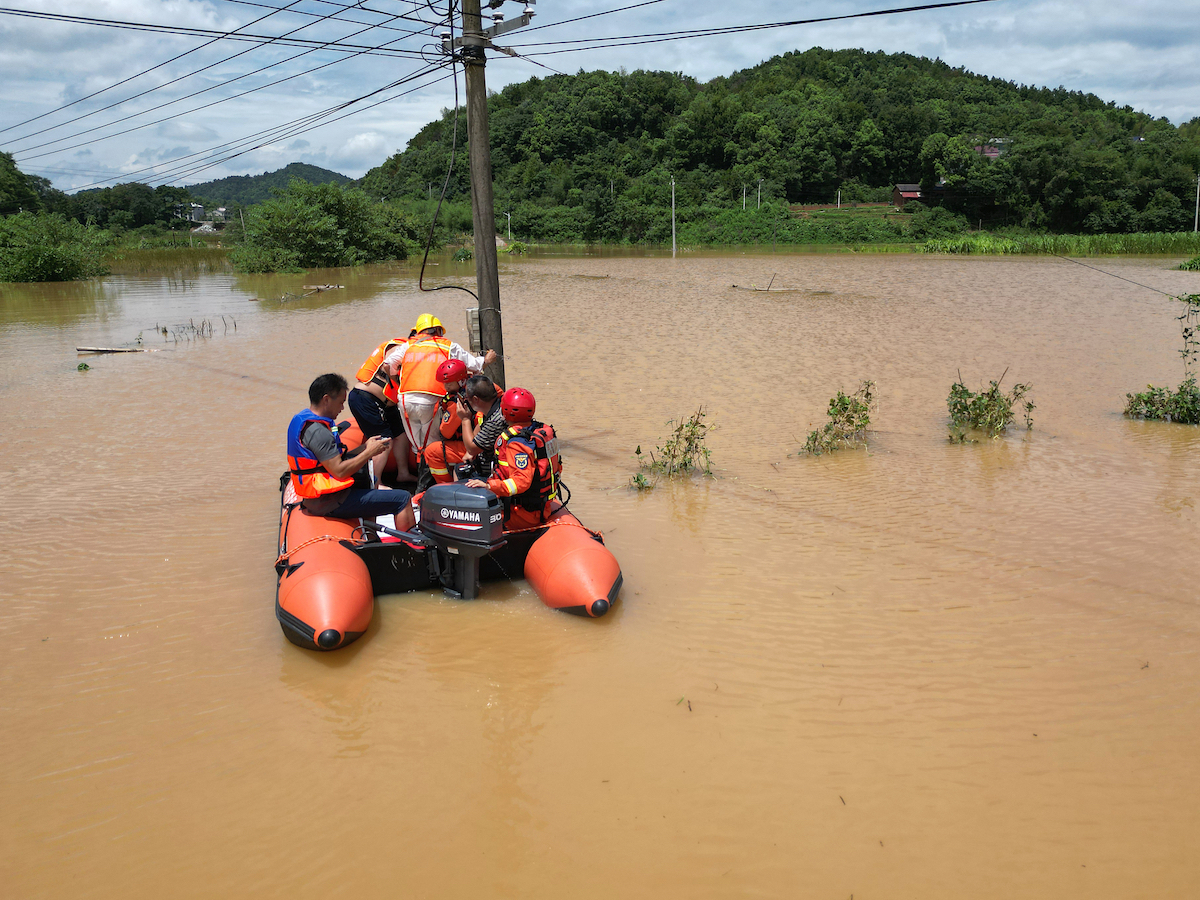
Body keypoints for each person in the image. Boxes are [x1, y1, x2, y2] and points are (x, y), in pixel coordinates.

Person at [286, 373, 416, 529]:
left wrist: (365, 447)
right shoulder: (319, 432)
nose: (342, 408)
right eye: (341, 402)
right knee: (402, 499)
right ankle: (412, 547)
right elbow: (339, 471)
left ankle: (371, 538)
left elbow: (330, 461)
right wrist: (369, 453)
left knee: (370, 480)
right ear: (326, 399)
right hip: (328, 502)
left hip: (320, 498)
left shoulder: (304, 420)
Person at [385, 313, 497, 458]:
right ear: (438, 330)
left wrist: (398, 381)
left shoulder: (409, 345)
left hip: (405, 399)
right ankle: (433, 477)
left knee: (417, 445)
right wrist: (487, 360)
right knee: (432, 444)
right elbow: (473, 364)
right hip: (431, 400)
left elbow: (387, 364)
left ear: (419, 331)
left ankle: (421, 475)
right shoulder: (448, 345)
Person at [466, 387, 563, 531]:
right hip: (536, 505)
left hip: (522, 513)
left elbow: (521, 481)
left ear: (505, 411)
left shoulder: (517, 443)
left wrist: (489, 487)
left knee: (470, 519)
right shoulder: (539, 431)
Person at [348, 331, 416, 485]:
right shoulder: (400, 347)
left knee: (401, 434)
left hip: (386, 404)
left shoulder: (416, 352)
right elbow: (389, 365)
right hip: (366, 399)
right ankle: (376, 483)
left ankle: (403, 474)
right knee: (384, 440)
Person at [458, 373, 508, 478]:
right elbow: (482, 427)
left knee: (459, 471)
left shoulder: (495, 420)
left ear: (476, 399)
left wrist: (465, 419)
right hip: (489, 464)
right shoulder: (497, 406)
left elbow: (472, 448)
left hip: (493, 474)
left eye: (467, 398)